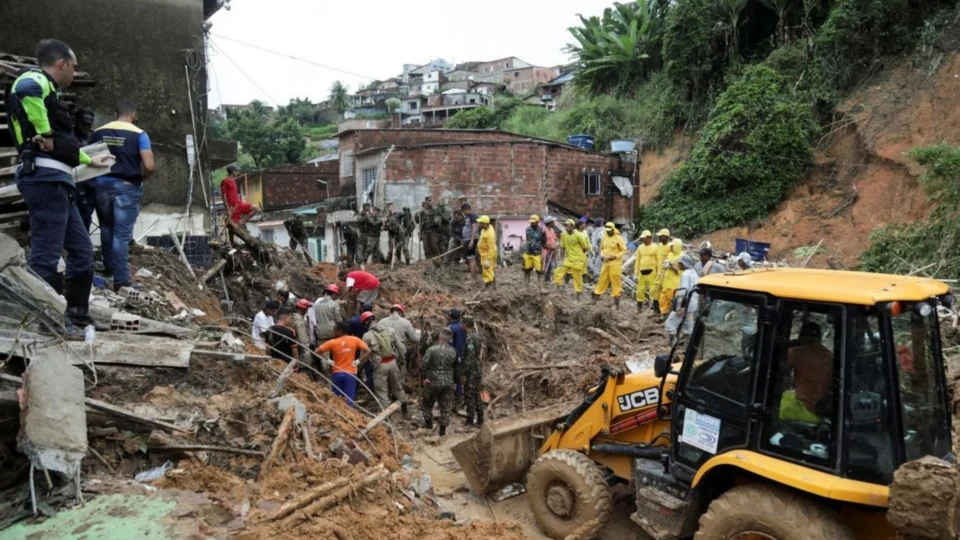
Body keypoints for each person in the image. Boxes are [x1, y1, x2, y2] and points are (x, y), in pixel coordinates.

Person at [8, 39, 113, 337]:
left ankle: (76, 315)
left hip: (58, 183)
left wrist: (90, 161)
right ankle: (44, 322)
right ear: (62, 64)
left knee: (81, 251)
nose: (75, 73)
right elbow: (27, 92)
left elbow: (64, 148)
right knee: (46, 255)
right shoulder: (34, 80)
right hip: (44, 181)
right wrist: (44, 132)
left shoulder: (50, 92)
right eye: (74, 67)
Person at [90, 99, 156, 292]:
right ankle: (121, 280)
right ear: (133, 114)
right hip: (127, 188)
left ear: (115, 114)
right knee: (121, 235)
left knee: (106, 227)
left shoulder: (98, 132)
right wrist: (141, 178)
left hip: (101, 185)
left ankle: (109, 267)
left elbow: (89, 160)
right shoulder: (140, 134)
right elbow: (150, 166)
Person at [783, 321, 834, 421]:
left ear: (801, 337)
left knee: (774, 408)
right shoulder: (829, 355)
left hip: (808, 409)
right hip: (823, 407)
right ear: (819, 338)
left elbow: (777, 369)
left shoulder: (797, 352)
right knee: (787, 395)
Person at [361, 311, 409, 414]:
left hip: (380, 365)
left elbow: (364, 355)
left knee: (382, 392)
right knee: (397, 387)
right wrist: (402, 360)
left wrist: (358, 366)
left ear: (365, 323)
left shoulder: (367, 336)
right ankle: (405, 410)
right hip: (392, 362)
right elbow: (401, 348)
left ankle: (387, 418)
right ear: (374, 319)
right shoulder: (390, 330)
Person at [316, 321, 371, 407]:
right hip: (351, 373)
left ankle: (337, 414)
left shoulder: (332, 342)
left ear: (339, 331)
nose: (333, 332)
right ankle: (349, 415)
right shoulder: (355, 339)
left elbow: (317, 351)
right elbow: (368, 351)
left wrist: (327, 360)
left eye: (334, 330)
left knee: (336, 398)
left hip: (337, 373)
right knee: (349, 398)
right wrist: (358, 361)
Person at [420, 327, 458, 435]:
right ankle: (442, 431)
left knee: (427, 403)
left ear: (440, 337)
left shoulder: (432, 350)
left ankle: (428, 425)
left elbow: (423, 365)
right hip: (448, 382)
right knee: (445, 406)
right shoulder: (453, 351)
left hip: (433, 381)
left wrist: (424, 378)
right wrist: (454, 382)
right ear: (450, 339)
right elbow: (457, 368)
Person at [72, 107, 97, 232]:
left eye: (89, 124)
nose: (86, 127)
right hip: (75, 182)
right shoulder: (69, 136)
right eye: (84, 124)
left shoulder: (93, 136)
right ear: (76, 121)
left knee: (87, 216)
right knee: (79, 217)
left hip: (91, 182)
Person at [553, 219, 592, 298]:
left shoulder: (578, 235)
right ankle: (560, 290)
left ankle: (578, 296)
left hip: (578, 259)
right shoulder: (563, 234)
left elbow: (585, 247)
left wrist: (580, 256)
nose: (566, 227)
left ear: (572, 226)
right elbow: (562, 247)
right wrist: (561, 259)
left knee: (577, 278)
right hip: (569, 259)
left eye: (568, 226)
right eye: (565, 226)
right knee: (557, 272)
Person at [665, 255, 700, 343]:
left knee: (670, 324)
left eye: (679, 264)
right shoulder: (694, 273)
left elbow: (683, 291)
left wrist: (681, 306)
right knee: (688, 325)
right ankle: (687, 344)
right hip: (693, 303)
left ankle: (673, 343)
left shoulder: (685, 274)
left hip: (685, 303)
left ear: (682, 264)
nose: (678, 266)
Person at [592, 222, 628, 307]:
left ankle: (616, 305)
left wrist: (615, 256)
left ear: (613, 229)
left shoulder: (618, 238)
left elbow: (624, 250)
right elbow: (602, 249)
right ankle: (595, 300)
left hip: (615, 264)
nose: (608, 232)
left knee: (615, 283)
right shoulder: (604, 237)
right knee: (601, 280)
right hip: (606, 262)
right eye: (607, 230)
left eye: (609, 230)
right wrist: (601, 255)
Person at [378, 304, 420, 375]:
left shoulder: (381, 322)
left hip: (384, 352)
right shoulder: (406, 322)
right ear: (400, 312)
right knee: (398, 375)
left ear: (391, 312)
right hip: (399, 353)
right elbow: (415, 339)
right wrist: (418, 333)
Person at [461, 315, 484, 426]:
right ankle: (480, 418)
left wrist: (464, 374)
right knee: (476, 394)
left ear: (465, 324)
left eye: (462, 323)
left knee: (469, 395)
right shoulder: (477, 336)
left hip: (472, 371)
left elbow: (469, 357)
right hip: (477, 368)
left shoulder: (469, 338)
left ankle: (469, 421)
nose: (461, 325)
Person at [311, 284, 345, 351]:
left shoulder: (317, 305)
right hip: (331, 331)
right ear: (334, 294)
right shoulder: (334, 304)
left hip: (319, 331)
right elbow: (339, 320)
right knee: (333, 351)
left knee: (323, 352)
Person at [658, 239, 684, 320]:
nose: (671, 247)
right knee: (662, 300)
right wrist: (665, 264)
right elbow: (665, 264)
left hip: (674, 284)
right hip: (666, 282)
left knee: (673, 302)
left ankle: (672, 319)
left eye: (672, 246)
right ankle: (664, 316)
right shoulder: (670, 254)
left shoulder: (682, 257)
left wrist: (671, 265)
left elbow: (679, 271)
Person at [634, 230, 659, 312]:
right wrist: (635, 273)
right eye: (642, 238)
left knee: (653, 291)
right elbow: (637, 260)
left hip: (652, 272)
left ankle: (655, 310)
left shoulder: (655, 247)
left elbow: (658, 260)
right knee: (640, 291)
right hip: (641, 272)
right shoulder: (640, 247)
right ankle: (639, 309)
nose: (643, 240)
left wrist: (658, 272)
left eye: (644, 238)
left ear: (649, 238)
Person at [651, 228, 673, 313]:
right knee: (653, 291)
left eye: (661, 236)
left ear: (665, 237)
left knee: (665, 294)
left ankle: (664, 312)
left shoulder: (670, 247)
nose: (659, 238)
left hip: (666, 274)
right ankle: (657, 310)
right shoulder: (659, 246)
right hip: (659, 273)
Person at [522, 215, 545, 289]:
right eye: (531, 222)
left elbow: (544, 241)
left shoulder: (541, 231)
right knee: (527, 270)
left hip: (537, 253)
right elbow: (528, 239)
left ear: (537, 222)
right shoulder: (527, 229)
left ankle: (540, 288)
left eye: (533, 222)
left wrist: (541, 249)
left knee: (540, 271)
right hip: (528, 252)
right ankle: (526, 287)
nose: (531, 224)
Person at [292, 299, 315, 369]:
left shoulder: (292, 317)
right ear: (303, 309)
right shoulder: (299, 321)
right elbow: (303, 340)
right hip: (300, 349)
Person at [477, 215, 497, 289]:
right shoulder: (485, 229)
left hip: (488, 254)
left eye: (481, 223)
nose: (479, 224)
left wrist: (488, 259)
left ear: (485, 224)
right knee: (489, 270)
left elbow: (491, 248)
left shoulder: (490, 234)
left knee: (487, 271)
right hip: (484, 253)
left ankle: (489, 288)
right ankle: (493, 286)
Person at [460, 203, 479, 280]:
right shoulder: (468, 217)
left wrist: (471, 241)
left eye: (464, 211)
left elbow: (474, 229)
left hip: (471, 240)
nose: (463, 213)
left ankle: (473, 278)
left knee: (472, 258)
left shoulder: (473, 216)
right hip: (467, 240)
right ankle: (473, 277)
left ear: (467, 209)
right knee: (470, 258)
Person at [542, 216, 560, 282]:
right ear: (549, 223)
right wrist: (550, 247)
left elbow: (554, 239)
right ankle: (547, 279)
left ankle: (548, 278)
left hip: (553, 250)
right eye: (553, 222)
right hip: (546, 251)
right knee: (549, 265)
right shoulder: (544, 231)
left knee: (551, 264)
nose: (554, 223)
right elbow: (543, 243)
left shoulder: (552, 230)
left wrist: (556, 244)